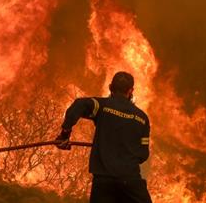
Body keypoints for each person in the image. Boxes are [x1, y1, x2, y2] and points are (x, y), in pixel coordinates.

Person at [56, 71, 152, 203]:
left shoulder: (102, 106)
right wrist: (125, 152)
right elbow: (143, 154)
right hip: (131, 182)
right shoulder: (142, 118)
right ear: (131, 90)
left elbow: (78, 105)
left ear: (110, 87)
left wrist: (64, 135)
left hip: (104, 182)